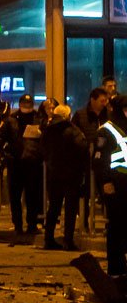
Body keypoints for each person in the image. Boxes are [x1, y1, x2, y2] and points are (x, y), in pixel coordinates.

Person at [0, 94, 44, 238]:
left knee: (32, 195)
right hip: (16, 162)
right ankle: (18, 225)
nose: (27, 106)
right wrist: (1, 153)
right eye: (25, 103)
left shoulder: (38, 118)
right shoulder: (11, 120)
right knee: (15, 196)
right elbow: (0, 137)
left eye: (29, 104)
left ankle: (31, 224)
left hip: (32, 162)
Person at [41, 104, 86, 251]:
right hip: (71, 173)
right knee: (70, 208)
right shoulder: (73, 130)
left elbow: (44, 149)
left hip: (54, 172)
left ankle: (48, 239)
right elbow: (81, 149)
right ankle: (68, 240)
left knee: (53, 207)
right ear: (67, 115)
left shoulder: (48, 130)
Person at [93, 95, 127, 274]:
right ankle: (116, 267)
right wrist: (105, 182)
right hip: (115, 184)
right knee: (116, 225)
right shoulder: (106, 130)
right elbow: (99, 160)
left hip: (125, 183)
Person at [74, 87, 110, 230]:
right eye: (102, 101)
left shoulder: (108, 115)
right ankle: (84, 222)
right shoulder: (81, 115)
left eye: (106, 100)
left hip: (104, 160)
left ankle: (108, 224)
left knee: (106, 193)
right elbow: (74, 134)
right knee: (85, 193)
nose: (104, 103)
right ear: (93, 100)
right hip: (85, 160)